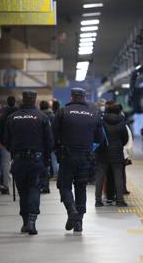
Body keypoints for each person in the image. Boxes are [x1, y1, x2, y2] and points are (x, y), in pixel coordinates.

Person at [53, 88, 102, 233]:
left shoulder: (62, 112)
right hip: (85, 158)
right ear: (84, 97)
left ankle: (71, 211)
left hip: (67, 157)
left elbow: (53, 135)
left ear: (72, 97)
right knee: (81, 187)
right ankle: (79, 221)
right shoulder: (94, 114)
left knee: (65, 186)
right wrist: (89, 149)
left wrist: (57, 150)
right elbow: (99, 138)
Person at [5, 91, 53, 235]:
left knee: (23, 192)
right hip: (36, 160)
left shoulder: (12, 117)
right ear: (35, 100)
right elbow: (49, 141)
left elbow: (6, 141)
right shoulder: (42, 117)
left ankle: (25, 222)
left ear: (23, 100)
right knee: (33, 188)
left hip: (19, 160)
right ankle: (32, 221)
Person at [95, 102, 129, 207]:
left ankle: (98, 201)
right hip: (117, 152)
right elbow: (125, 139)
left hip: (102, 152)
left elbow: (97, 136)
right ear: (119, 111)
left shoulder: (101, 121)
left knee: (100, 176)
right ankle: (119, 200)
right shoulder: (122, 122)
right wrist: (118, 144)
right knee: (118, 176)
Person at [0, 96, 19, 195]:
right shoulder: (19, 113)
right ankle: (20, 184)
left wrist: (2, 141)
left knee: (5, 164)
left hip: (5, 143)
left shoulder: (3, 114)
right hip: (18, 143)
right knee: (19, 163)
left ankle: (6, 186)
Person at [39, 100, 55, 194]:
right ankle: (46, 185)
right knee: (48, 163)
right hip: (50, 142)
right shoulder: (52, 116)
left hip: (41, 144)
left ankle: (42, 184)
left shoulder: (39, 116)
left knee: (41, 165)